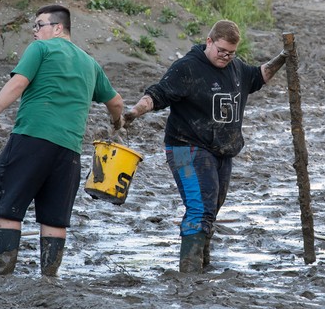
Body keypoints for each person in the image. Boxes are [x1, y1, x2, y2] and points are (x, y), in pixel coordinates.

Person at [122, 20, 288, 273]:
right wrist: (134, 112)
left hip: (222, 150)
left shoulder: (235, 67)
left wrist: (283, 57)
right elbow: (158, 94)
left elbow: (258, 76)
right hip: (186, 148)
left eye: (231, 53)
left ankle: (201, 263)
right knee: (200, 208)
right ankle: (189, 271)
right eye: (221, 50)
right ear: (209, 42)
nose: (225, 57)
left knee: (211, 208)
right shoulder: (187, 68)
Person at [0, 4, 124, 276]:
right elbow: (116, 102)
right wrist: (116, 125)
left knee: (9, 209)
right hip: (69, 151)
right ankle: (49, 278)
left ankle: (1, 276)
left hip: (31, 139)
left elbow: (17, 84)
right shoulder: (90, 64)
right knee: (55, 218)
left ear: (58, 28)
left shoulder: (41, 49)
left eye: (39, 25)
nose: (34, 32)